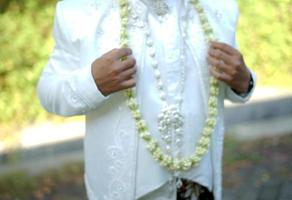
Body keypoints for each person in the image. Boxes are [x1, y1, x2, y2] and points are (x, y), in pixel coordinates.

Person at [37, 0, 256, 199]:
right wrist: (92, 82)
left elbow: (230, 81)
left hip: (199, 188)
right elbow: (49, 91)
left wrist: (244, 80)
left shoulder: (218, 7)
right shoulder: (80, 11)